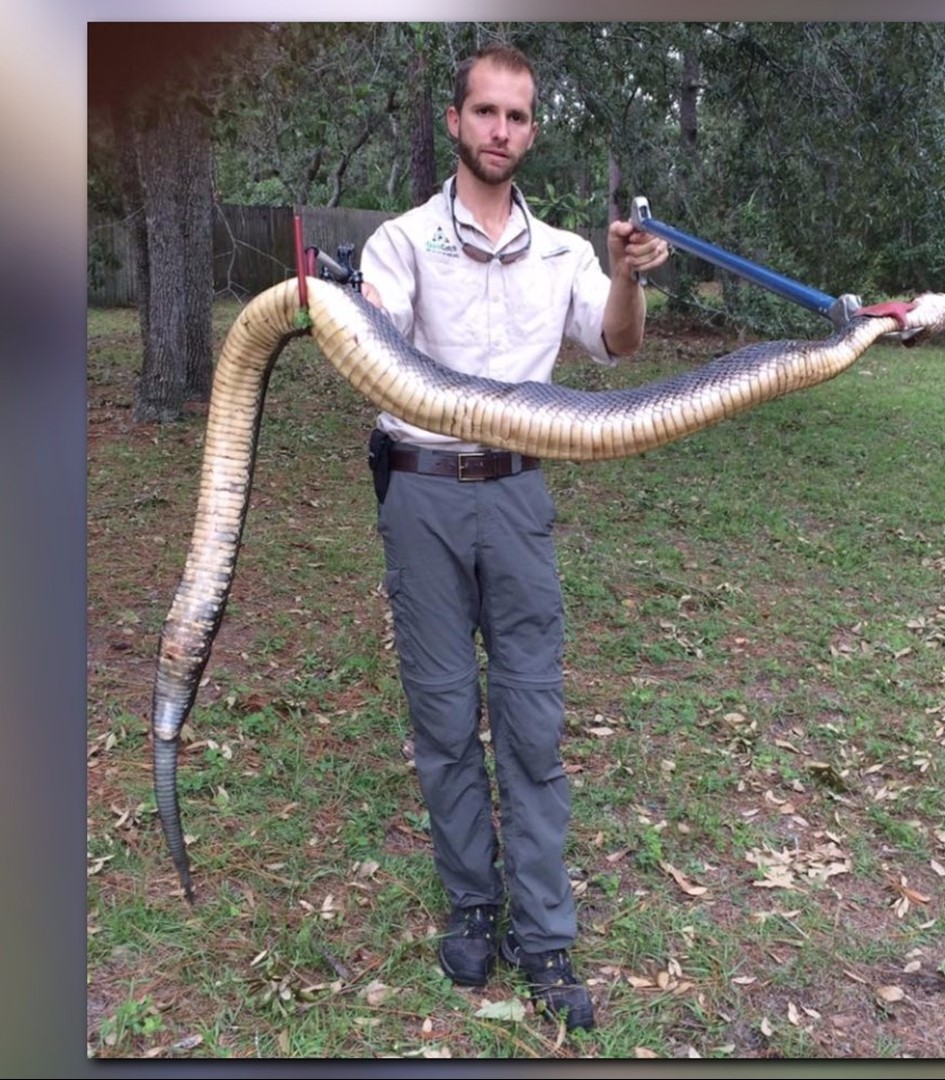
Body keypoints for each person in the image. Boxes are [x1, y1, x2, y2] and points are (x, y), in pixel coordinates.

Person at [353, 42, 669, 1034]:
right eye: (485, 113)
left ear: (533, 130)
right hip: (425, 497)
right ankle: (473, 907)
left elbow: (615, 344)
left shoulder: (571, 251)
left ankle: (544, 937)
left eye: (517, 117)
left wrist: (627, 275)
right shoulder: (402, 244)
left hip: (520, 495)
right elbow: (379, 352)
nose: (500, 131)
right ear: (456, 121)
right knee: (445, 719)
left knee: (531, 725)